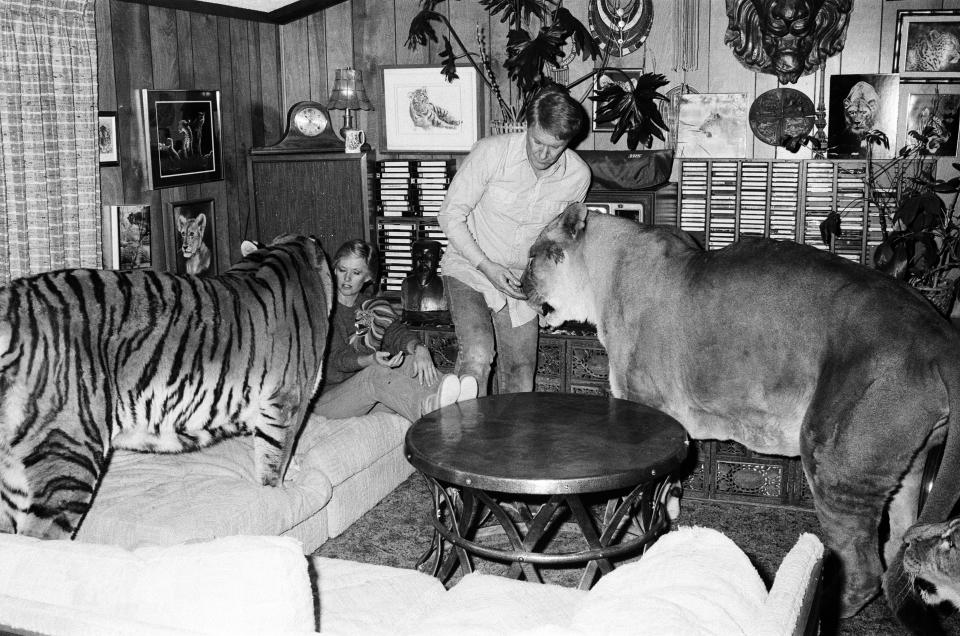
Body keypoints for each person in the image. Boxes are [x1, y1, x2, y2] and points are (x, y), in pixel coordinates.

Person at [437, 85, 591, 396]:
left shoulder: (578, 176)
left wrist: (552, 297)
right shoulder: (491, 153)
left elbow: (561, 245)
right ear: (527, 126)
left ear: (568, 142)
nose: (543, 154)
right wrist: (486, 265)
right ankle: (462, 440)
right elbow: (449, 215)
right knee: (478, 353)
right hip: (471, 267)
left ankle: (509, 445)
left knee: (521, 375)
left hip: (522, 284)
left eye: (555, 147)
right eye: (537, 142)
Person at [313, 239, 477, 422]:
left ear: (368, 277)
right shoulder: (323, 310)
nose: (347, 278)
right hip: (328, 401)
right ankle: (427, 408)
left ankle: (460, 402)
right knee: (375, 373)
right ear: (334, 270)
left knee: (411, 361)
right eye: (342, 270)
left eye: (356, 272)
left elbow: (396, 333)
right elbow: (336, 360)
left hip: (362, 397)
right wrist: (370, 360)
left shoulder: (368, 308)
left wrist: (419, 348)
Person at [401, 240, 449, 325]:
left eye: (429, 256)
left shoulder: (445, 284)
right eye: (418, 256)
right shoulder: (406, 283)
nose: (423, 260)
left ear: (439, 257)